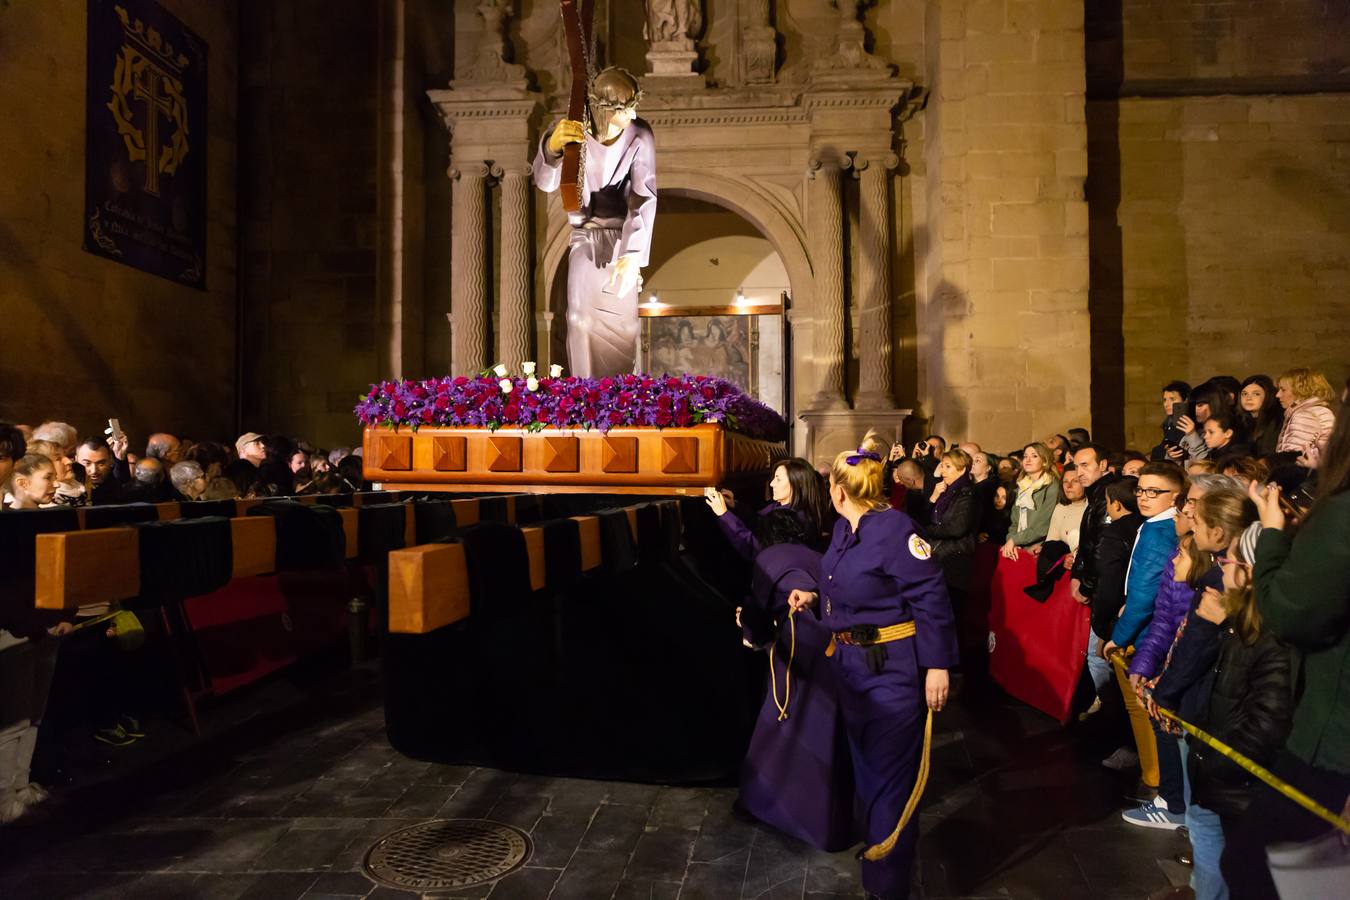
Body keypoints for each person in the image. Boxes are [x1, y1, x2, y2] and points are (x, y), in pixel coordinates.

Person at [786, 433, 957, 900]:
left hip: (892, 672)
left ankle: (886, 885)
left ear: (839, 491)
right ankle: (881, 867)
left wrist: (938, 666)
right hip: (852, 669)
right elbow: (849, 582)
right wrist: (817, 597)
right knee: (868, 773)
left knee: (890, 779)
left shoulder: (897, 530)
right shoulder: (844, 529)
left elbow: (931, 599)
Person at [1222, 397, 1350, 898]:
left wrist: (1273, 537)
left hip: (1331, 743)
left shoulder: (1342, 514)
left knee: (1258, 869)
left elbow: (1294, 613)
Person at [734, 509, 854, 851]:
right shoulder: (819, 556)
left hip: (798, 647)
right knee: (823, 731)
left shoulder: (768, 557)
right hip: (835, 647)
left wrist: (748, 629)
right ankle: (827, 824)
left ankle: (764, 804)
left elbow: (758, 612)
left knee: (780, 725)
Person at [534, 66, 655, 377]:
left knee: (625, 326)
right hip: (585, 239)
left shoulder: (640, 134)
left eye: (633, 106)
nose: (632, 115)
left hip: (622, 242)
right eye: (625, 109)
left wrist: (632, 257)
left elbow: (644, 196)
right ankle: (588, 404)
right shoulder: (575, 134)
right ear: (603, 108)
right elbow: (545, 183)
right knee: (580, 320)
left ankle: (618, 407)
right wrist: (551, 149)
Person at [1101, 462, 1184, 807]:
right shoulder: (1156, 525)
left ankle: (1155, 779)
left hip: (1146, 632)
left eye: (1154, 491)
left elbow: (1146, 592)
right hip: (1144, 624)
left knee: (1142, 708)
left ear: (1175, 496)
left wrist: (1119, 636)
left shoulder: (1159, 533)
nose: (1144, 497)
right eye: (1141, 490)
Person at [1084, 477, 1143, 714]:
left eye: (1107, 502)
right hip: (1130, 609)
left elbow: (1108, 581)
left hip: (1116, 613)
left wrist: (1101, 626)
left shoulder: (1114, 533)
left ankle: (1109, 714)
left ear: (1116, 505)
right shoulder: (1145, 525)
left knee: (1099, 659)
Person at [706, 458, 829, 558]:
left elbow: (754, 548)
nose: (771, 484)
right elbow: (759, 522)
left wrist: (724, 515)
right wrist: (735, 505)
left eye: (778, 479)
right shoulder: (781, 506)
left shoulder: (793, 519)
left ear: (798, 484)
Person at [923, 448, 978, 612]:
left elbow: (957, 528)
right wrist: (933, 498)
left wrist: (928, 530)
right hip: (939, 556)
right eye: (942, 466)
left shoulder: (968, 493)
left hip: (955, 559)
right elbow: (924, 518)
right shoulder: (944, 491)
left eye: (947, 467)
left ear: (961, 470)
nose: (942, 471)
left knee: (952, 611)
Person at [1000, 442, 1062, 560]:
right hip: (1019, 544)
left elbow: (1043, 525)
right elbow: (1014, 522)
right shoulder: (1022, 485)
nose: (1028, 460)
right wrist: (1012, 541)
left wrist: (1015, 540)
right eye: (1025, 456)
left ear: (1044, 461)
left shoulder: (1052, 486)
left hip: (1039, 546)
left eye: (1034, 456)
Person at [1273, 366, 1335, 464]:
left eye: (1283, 390)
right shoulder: (1319, 411)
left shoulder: (1305, 415)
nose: (1278, 395)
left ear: (1301, 391)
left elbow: (1293, 459)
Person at [1042, 464, 1087, 554]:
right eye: (1065, 481)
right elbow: (1051, 541)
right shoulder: (1060, 508)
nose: (1069, 486)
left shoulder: (1093, 508)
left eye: (1075, 481)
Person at [1237, 375, 1283, 459]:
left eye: (1256, 394)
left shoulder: (1275, 420)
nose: (1248, 398)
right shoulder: (1240, 421)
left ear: (1268, 396)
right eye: (1244, 394)